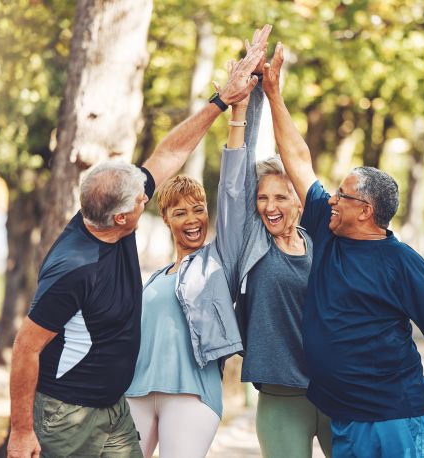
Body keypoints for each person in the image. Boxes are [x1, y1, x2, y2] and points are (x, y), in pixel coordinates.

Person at [6, 31, 269, 458]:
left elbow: (167, 157)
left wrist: (224, 103)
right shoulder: (74, 268)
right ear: (123, 218)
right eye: (143, 201)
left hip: (114, 408)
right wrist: (21, 431)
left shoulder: (104, 211)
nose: (148, 196)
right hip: (68, 412)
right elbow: (25, 347)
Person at [261, 42, 424, 457]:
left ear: (364, 210)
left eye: (341, 195)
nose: (331, 198)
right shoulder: (327, 231)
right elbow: (297, 158)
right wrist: (274, 94)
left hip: (395, 415)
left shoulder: (400, 261)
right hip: (346, 417)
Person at [124, 27, 272, 458]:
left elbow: (232, 191)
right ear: (165, 219)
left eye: (198, 209)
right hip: (136, 392)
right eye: (179, 212)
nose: (193, 219)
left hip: (190, 396)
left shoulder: (220, 261)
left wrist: (239, 111)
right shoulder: (154, 278)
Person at [233, 73, 332, 456]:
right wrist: (249, 99)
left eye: (280, 197)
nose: (270, 207)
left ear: (300, 199)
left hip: (335, 389)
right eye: (262, 198)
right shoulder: (253, 241)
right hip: (280, 396)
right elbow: (236, 175)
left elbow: (300, 159)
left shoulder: (319, 241)